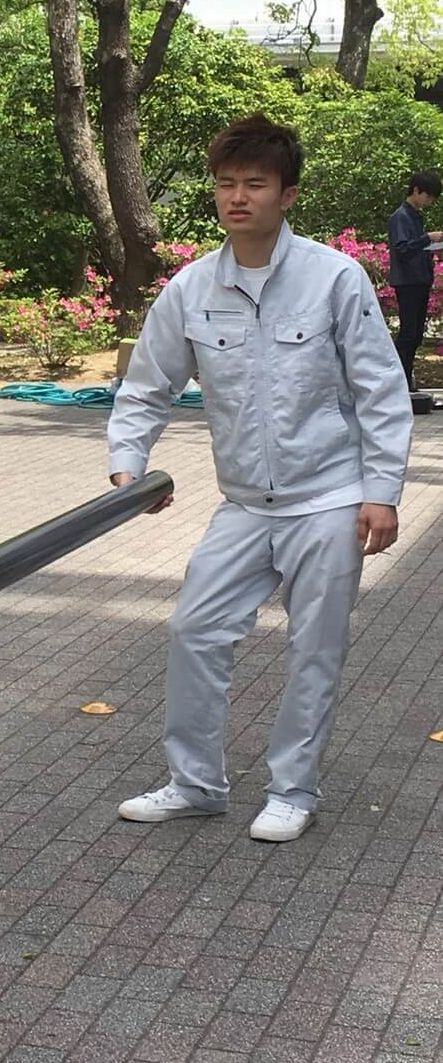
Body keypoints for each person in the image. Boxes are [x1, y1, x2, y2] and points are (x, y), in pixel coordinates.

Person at [108, 114, 411, 843]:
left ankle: (293, 789)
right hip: (244, 504)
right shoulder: (191, 288)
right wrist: (128, 463)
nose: (237, 197)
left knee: (315, 648)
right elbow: (146, 386)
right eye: (225, 184)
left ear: (287, 194)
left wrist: (381, 492)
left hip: (328, 498)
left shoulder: (333, 278)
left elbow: (379, 389)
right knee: (194, 630)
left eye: (255, 184)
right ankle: (195, 784)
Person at [386, 171, 443, 391]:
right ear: (416, 190)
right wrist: (427, 238)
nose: (429, 201)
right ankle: (398, 380)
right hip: (408, 282)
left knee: (416, 334)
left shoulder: (416, 216)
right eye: (428, 196)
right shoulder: (400, 217)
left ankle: (406, 381)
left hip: (420, 280)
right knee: (408, 334)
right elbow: (402, 248)